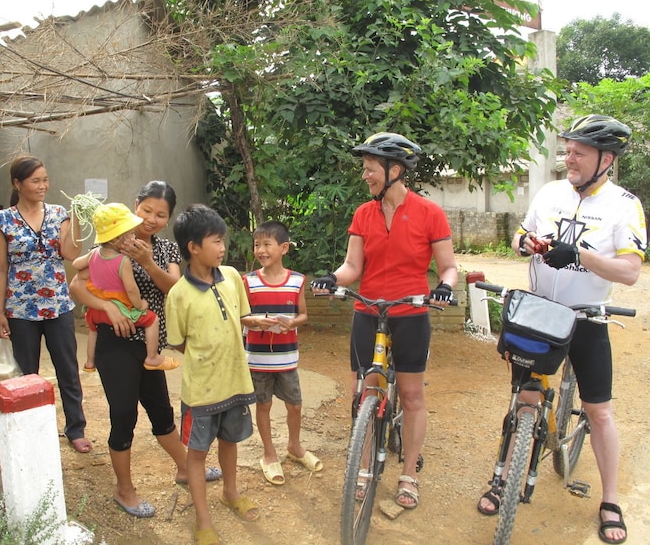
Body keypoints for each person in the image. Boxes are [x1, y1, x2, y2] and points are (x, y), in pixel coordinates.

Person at [477, 115, 646, 545]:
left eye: (579, 152)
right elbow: (519, 235)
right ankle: (502, 479)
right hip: (540, 314)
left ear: (606, 159)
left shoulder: (624, 205)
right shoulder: (550, 192)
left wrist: (581, 256)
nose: (568, 158)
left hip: (587, 318)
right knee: (524, 400)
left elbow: (629, 272)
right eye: (566, 150)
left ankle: (610, 499)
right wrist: (525, 244)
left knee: (600, 412)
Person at [311, 132, 458, 510]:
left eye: (371, 169)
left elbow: (449, 268)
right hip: (369, 312)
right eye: (365, 169)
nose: (366, 176)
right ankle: (362, 467)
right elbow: (352, 267)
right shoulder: (364, 213)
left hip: (411, 313)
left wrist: (443, 287)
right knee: (365, 391)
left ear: (395, 170)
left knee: (410, 395)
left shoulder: (430, 213)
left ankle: (408, 474)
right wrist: (333, 278)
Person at [68, 182, 221, 519]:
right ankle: (124, 490)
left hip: (150, 344)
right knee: (124, 415)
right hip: (114, 342)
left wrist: (148, 262)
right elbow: (76, 285)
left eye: (160, 214)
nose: (151, 219)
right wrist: (108, 308)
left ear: (168, 218)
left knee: (161, 411)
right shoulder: (112, 242)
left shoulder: (164, 250)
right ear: (135, 205)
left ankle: (184, 468)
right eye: (146, 210)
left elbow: (176, 291)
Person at [166, 204, 259, 545]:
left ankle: (230, 493)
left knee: (230, 441)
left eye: (223, 241)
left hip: (235, 383)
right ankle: (203, 519)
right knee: (197, 453)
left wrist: (260, 323)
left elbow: (240, 319)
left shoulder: (233, 277)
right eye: (216, 241)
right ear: (193, 247)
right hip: (201, 392)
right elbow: (178, 343)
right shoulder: (178, 295)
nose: (223, 248)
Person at [0, 155, 92, 454]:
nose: (42, 186)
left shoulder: (59, 213)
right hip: (20, 309)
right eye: (35, 181)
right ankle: (30, 431)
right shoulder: (2, 220)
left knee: (67, 371)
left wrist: (76, 222)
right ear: (17, 184)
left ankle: (76, 429)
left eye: (45, 179)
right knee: (27, 375)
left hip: (58, 305)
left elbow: (71, 253)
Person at [242, 220, 320, 486]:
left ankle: (294, 446)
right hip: (258, 359)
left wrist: (292, 322)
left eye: (267, 244)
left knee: (294, 404)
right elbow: (241, 316)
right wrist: (254, 321)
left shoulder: (296, 281)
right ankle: (268, 452)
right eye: (257, 245)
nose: (261, 250)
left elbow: (303, 315)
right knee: (263, 405)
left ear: (284, 248)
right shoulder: (248, 282)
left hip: (287, 358)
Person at [72, 202, 179, 372]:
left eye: (160, 215)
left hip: (94, 313)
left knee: (92, 331)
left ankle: (90, 362)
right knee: (152, 319)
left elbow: (77, 264)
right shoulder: (123, 260)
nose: (133, 237)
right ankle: (152, 357)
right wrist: (140, 305)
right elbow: (131, 290)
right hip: (122, 314)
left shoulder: (94, 253)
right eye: (130, 234)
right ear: (115, 239)